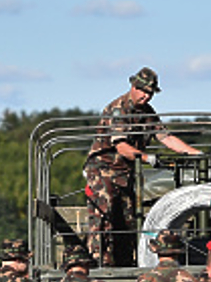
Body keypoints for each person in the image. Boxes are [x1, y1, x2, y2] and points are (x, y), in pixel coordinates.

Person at [84, 67, 204, 266]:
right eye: (143, 91)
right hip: (103, 171)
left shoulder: (147, 112)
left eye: (150, 93)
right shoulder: (119, 109)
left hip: (126, 173)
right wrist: (148, 158)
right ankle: (98, 265)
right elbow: (121, 147)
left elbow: (165, 137)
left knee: (128, 221)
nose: (146, 96)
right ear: (133, 87)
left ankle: (124, 265)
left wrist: (193, 152)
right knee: (103, 218)